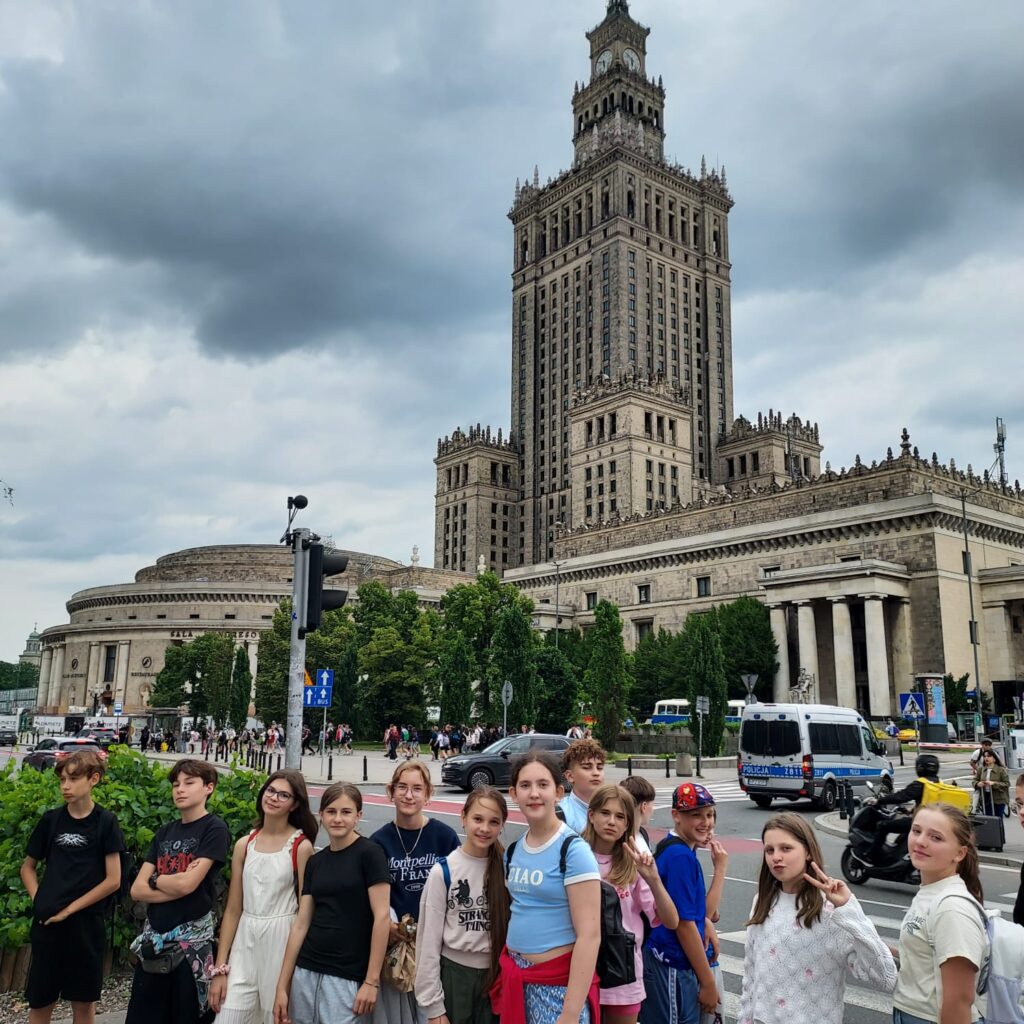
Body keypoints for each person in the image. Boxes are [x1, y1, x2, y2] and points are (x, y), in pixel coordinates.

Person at [738, 813, 896, 1024]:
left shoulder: (832, 911)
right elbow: (751, 976)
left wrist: (849, 909)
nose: (776, 857)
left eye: (786, 848)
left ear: (808, 852)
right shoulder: (762, 901)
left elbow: (885, 977)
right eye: (770, 850)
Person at [490, 750, 602, 1024]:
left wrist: (570, 1013)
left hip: (558, 988)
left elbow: (590, 936)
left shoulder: (573, 850)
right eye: (525, 785)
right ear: (513, 794)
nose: (534, 794)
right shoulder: (513, 851)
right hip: (518, 980)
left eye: (543, 784)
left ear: (558, 792)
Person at [20, 750, 126, 1024]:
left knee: (83, 1002)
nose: (66, 786)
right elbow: (27, 867)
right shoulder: (51, 820)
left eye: (73, 779)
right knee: (41, 1001)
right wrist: (39, 899)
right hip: (48, 925)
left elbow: (113, 880)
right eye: (62, 780)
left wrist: (70, 910)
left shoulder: (105, 822)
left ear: (94, 779)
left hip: (86, 927)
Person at [274, 784, 391, 1024]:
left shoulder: (370, 854)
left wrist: (371, 981)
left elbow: (382, 918)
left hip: (347, 976)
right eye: (331, 811)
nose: (338, 819)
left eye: (346, 812)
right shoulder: (316, 862)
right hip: (306, 970)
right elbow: (301, 924)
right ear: (321, 815)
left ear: (358, 815)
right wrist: (282, 987)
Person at [126, 759, 231, 1024]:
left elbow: (188, 885)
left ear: (209, 787)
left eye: (189, 783)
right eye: (175, 784)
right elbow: (137, 889)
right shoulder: (164, 833)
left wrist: (156, 879)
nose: (180, 789)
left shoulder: (214, 829)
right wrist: (173, 882)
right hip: (154, 942)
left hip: (191, 947)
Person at [209, 770, 318, 1024]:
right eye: (270, 790)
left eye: (284, 795)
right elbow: (233, 909)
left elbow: (304, 914)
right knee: (227, 1017)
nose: (274, 798)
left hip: (282, 938)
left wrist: (286, 982)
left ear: (295, 804)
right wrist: (220, 968)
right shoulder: (244, 844)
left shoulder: (301, 847)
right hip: (245, 939)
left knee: (275, 1016)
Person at [582, 785, 679, 1024]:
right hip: (580, 967)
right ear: (591, 815)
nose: (611, 822)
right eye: (605, 813)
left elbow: (671, 921)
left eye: (620, 816)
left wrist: (654, 879)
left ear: (628, 824)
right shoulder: (575, 856)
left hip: (622, 971)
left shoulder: (633, 865)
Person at [372, 761, 461, 1024]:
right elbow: (373, 897)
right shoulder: (378, 842)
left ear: (428, 794)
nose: (409, 795)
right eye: (402, 787)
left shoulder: (444, 837)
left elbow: (458, 890)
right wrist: (388, 927)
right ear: (391, 791)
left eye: (417, 788)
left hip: (436, 946)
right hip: (396, 948)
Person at [415, 787, 510, 1024]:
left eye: (493, 821)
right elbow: (427, 941)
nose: (485, 828)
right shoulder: (444, 871)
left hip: (496, 976)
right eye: (478, 819)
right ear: (463, 818)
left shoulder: (508, 869)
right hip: (455, 976)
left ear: (502, 825)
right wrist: (434, 1007)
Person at [893, 803, 988, 1024]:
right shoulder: (931, 892)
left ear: (959, 853)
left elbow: (959, 1001)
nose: (920, 841)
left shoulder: (952, 907)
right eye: (916, 831)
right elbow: (926, 957)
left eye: (936, 837)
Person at [639, 783, 720, 1024]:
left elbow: (704, 913)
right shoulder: (680, 857)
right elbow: (684, 925)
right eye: (696, 815)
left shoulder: (678, 848)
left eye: (709, 814)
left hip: (669, 961)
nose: (706, 822)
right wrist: (708, 983)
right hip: (672, 962)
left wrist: (721, 868)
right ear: (676, 815)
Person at [866, 753, 940, 863]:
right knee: (903, 831)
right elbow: (927, 801)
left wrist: (879, 800)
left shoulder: (921, 784)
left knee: (883, 826)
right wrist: (911, 811)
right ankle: (897, 856)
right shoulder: (939, 783)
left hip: (920, 823)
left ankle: (872, 857)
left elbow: (901, 796)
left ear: (920, 768)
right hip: (933, 822)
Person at [557, 738, 606, 834]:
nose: (596, 773)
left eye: (600, 768)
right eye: (587, 767)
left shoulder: (614, 808)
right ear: (570, 776)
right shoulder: (560, 814)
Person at [619, 776, 656, 854]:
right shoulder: (621, 839)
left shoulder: (643, 833)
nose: (653, 809)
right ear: (644, 806)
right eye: (652, 805)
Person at [973, 747, 1010, 817]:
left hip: (998, 798)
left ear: (994, 759)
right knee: (988, 818)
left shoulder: (1001, 770)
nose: (986, 758)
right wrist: (977, 784)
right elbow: (974, 781)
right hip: (985, 797)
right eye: (985, 756)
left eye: (989, 756)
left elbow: (1007, 784)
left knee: (998, 817)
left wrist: (994, 783)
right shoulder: (981, 769)